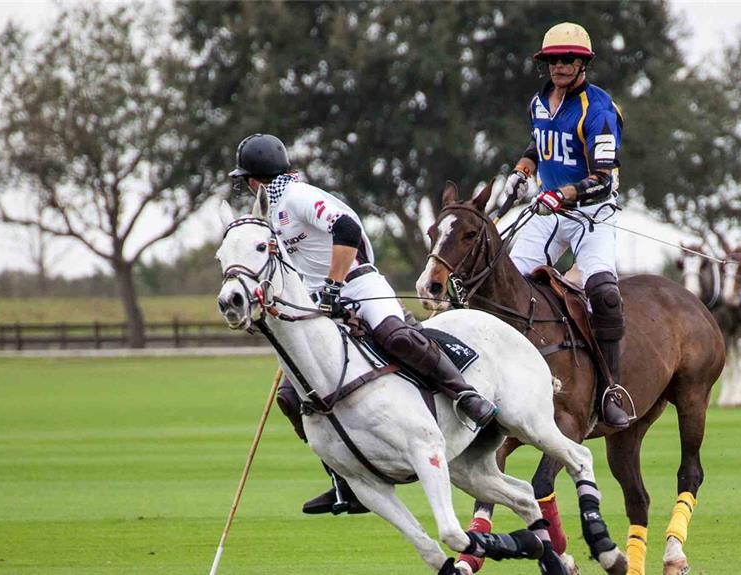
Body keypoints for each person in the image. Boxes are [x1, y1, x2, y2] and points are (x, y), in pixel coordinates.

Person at [228, 133, 499, 514]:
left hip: (358, 283)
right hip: (317, 304)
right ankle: (344, 480)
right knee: (292, 396)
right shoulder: (268, 216)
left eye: (246, 181)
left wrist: (334, 284)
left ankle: (466, 395)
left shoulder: (298, 197)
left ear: (256, 180)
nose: (247, 187)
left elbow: (347, 230)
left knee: (395, 335)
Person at [501, 22, 630, 428]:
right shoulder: (539, 102)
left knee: (604, 293)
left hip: (592, 216)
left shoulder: (599, 110)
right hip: (548, 214)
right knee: (503, 284)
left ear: (582, 63)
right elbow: (539, 144)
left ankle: (610, 390)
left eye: (568, 59)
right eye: (553, 59)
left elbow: (603, 178)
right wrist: (523, 170)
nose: (559, 65)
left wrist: (562, 194)